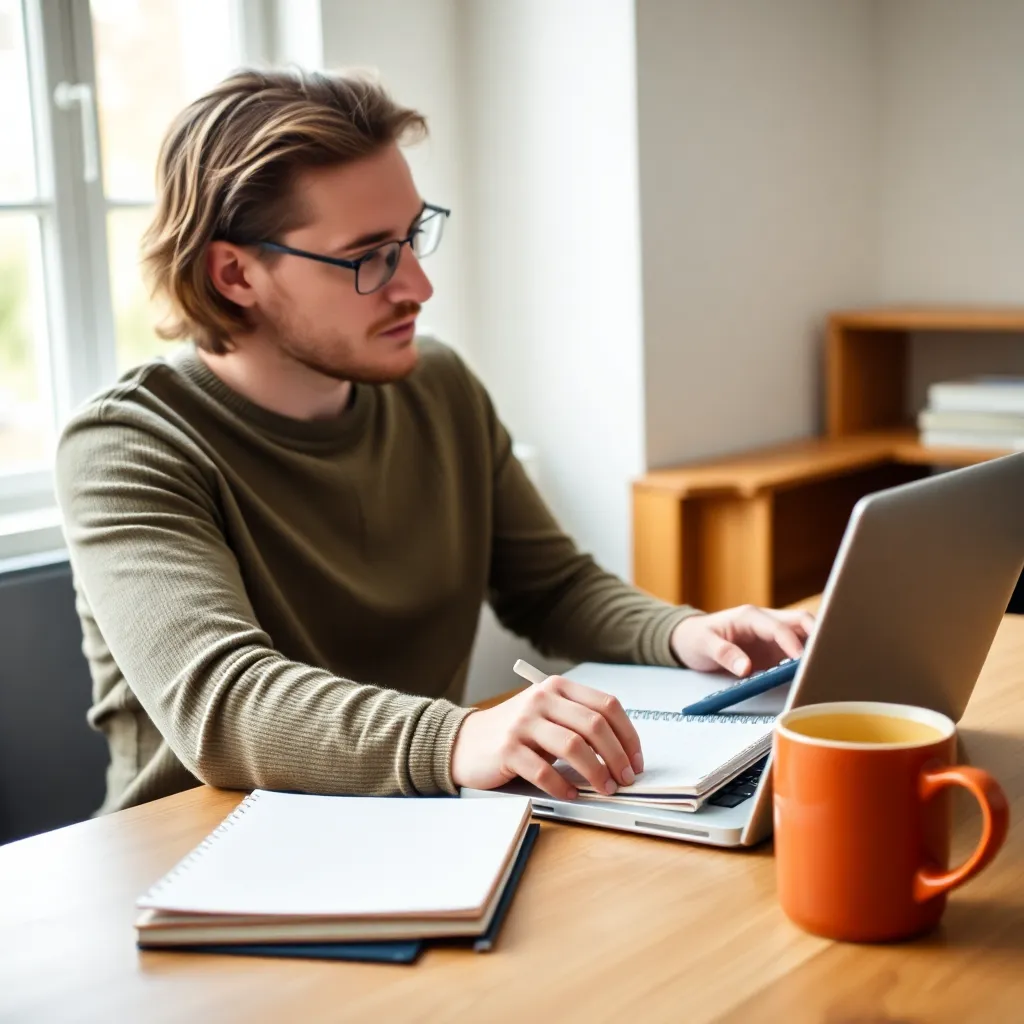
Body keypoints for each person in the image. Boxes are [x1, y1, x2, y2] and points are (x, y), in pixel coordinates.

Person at [56, 68, 814, 814]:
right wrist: (457, 741)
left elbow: (550, 587)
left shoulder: (438, 385)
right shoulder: (128, 444)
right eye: (368, 257)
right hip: (193, 853)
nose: (417, 285)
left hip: (413, 821)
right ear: (235, 275)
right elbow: (223, 706)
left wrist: (687, 635)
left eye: (413, 237)